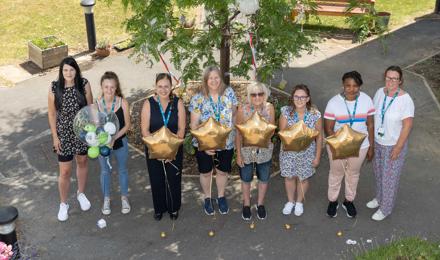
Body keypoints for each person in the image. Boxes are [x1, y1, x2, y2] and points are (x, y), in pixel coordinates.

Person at [48, 56, 93, 221]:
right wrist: (55, 137)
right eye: (65, 70)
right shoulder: (54, 88)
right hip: (63, 135)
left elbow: (90, 109)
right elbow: (52, 114)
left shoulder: (84, 84)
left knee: (82, 162)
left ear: (76, 70)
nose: (68, 73)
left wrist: (92, 132)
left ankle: (81, 193)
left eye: (71, 70)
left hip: (82, 132)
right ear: (61, 71)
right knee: (65, 171)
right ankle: (63, 204)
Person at [324, 71, 375, 218]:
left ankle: (348, 201)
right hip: (337, 146)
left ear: (359, 86)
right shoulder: (333, 102)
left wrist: (372, 147)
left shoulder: (367, 100)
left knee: (353, 174)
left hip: (361, 145)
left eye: (355, 86)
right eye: (348, 86)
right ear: (343, 85)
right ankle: (333, 201)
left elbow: (370, 125)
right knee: (336, 173)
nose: (351, 89)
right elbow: (328, 128)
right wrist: (339, 146)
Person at [189, 66, 238, 215]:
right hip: (204, 144)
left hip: (226, 142)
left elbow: (235, 114)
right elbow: (194, 125)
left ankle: (221, 196)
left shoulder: (229, 93)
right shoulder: (198, 98)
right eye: (210, 78)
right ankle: (208, 197)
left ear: (220, 78)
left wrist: (235, 136)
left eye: (216, 77)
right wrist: (205, 145)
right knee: (206, 172)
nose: (214, 81)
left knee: (223, 172)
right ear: (205, 80)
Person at [367, 66, 414, 221]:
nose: (391, 81)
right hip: (378, 142)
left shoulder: (405, 100)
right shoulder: (380, 92)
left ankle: (385, 209)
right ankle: (379, 198)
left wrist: (398, 147)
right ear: (384, 78)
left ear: (400, 81)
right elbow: (373, 115)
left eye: (394, 78)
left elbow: (407, 125)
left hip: (394, 145)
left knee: (389, 178)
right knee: (379, 173)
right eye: (388, 77)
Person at [141, 73, 185, 220]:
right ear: (155, 86)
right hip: (154, 150)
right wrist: (158, 151)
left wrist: (170, 151)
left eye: (166, 86)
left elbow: (181, 129)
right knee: (156, 179)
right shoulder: (148, 104)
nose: (163, 89)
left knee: (173, 179)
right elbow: (145, 130)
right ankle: (159, 208)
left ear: (171, 87)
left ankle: (174, 208)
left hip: (174, 149)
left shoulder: (178, 103)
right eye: (160, 86)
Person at [280, 84, 323, 217]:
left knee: (303, 178)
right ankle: (290, 201)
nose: (299, 100)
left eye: (302, 97)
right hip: (289, 153)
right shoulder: (286, 112)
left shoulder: (315, 115)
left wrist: (317, 157)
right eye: (296, 97)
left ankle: (299, 202)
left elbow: (319, 137)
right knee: (289, 177)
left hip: (307, 153)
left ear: (308, 98)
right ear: (292, 98)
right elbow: (282, 133)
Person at [235, 82, 275, 220]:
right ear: (249, 96)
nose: (257, 97)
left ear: (265, 95)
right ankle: (246, 204)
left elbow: (272, 130)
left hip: (264, 151)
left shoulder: (270, 108)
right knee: (246, 178)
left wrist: (261, 129)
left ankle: (260, 204)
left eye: (260, 94)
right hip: (246, 150)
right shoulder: (243, 109)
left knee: (263, 178)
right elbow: (238, 133)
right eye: (253, 94)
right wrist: (238, 154)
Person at [96, 71, 131, 215]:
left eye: (112, 87)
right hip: (103, 145)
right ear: (102, 87)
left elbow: (127, 125)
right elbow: (95, 127)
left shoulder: (122, 102)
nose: (109, 90)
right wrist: (103, 140)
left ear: (116, 87)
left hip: (120, 141)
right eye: (106, 87)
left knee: (122, 170)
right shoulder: (97, 104)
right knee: (105, 171)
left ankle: (124, 198)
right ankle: (106, 199)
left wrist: (114, 138)